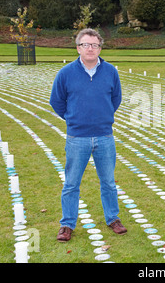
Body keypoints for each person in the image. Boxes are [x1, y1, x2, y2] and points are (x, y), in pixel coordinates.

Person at [50, 28, 126, 242]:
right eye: (85, 44)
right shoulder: (66, 73)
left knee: (109, 182)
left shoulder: (111, 71)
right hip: (77, 138)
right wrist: (73, 117)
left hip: (104, 136)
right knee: (72, 183)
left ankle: (113, 218)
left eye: (94, 45)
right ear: (78, 48)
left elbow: (116, 98)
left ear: (100, 48)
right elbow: (56, 101)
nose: (90, 48)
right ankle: (67, 224)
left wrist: (104, 115)